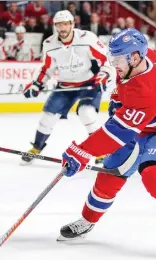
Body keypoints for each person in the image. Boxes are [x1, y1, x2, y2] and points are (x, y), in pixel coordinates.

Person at [58, 29, 156, 260]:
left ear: (135, 57)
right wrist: (109, 76)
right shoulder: (145, 58)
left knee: (153, 173)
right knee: (111, 171)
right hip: (143, 122)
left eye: (117, 60)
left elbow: (117, 132)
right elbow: (125, 96)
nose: (114, 63)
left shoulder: (147, 90)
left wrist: (81, 151)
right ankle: (87, 221)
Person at [21, 10, 115, 165]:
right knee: (48, 117)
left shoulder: (87, 38)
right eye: (59, 25)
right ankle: (36, 148)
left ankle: (101, 152)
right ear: (55, 26)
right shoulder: (49, 44)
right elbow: (47, 69)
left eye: (66, 24)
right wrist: (37, 84)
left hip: (89, 84)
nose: (63, 28)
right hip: (64, 86)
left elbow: (106, 59)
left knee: (86, 113)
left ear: (72, 24)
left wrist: (104, 75)